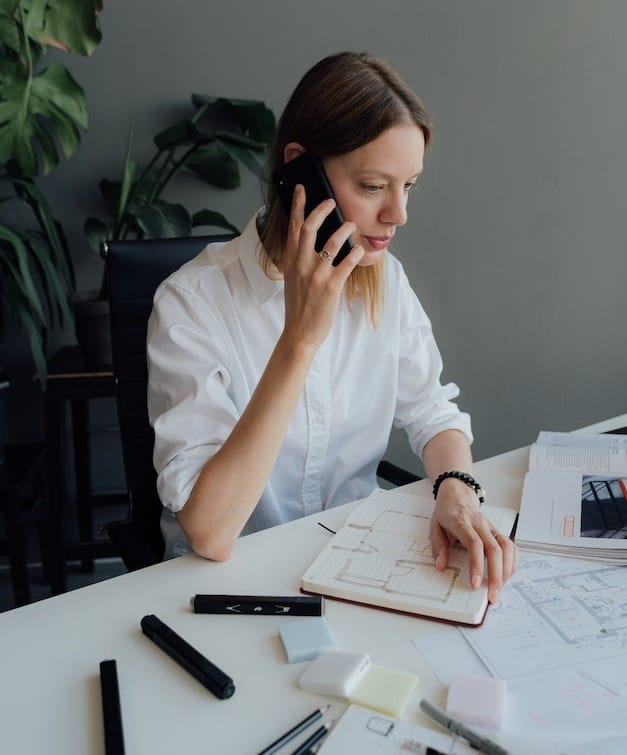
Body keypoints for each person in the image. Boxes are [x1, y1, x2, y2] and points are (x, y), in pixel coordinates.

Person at [147, 51, 517, 603]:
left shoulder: (383, 280)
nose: (399, 214)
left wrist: (456, 490)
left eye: (409, 185)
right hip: (221, 593)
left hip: (350, 570)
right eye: (373, 186)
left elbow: (432, 411)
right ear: (301, 173)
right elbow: (210, 533)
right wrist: (299, 339)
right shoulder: (191, 303)